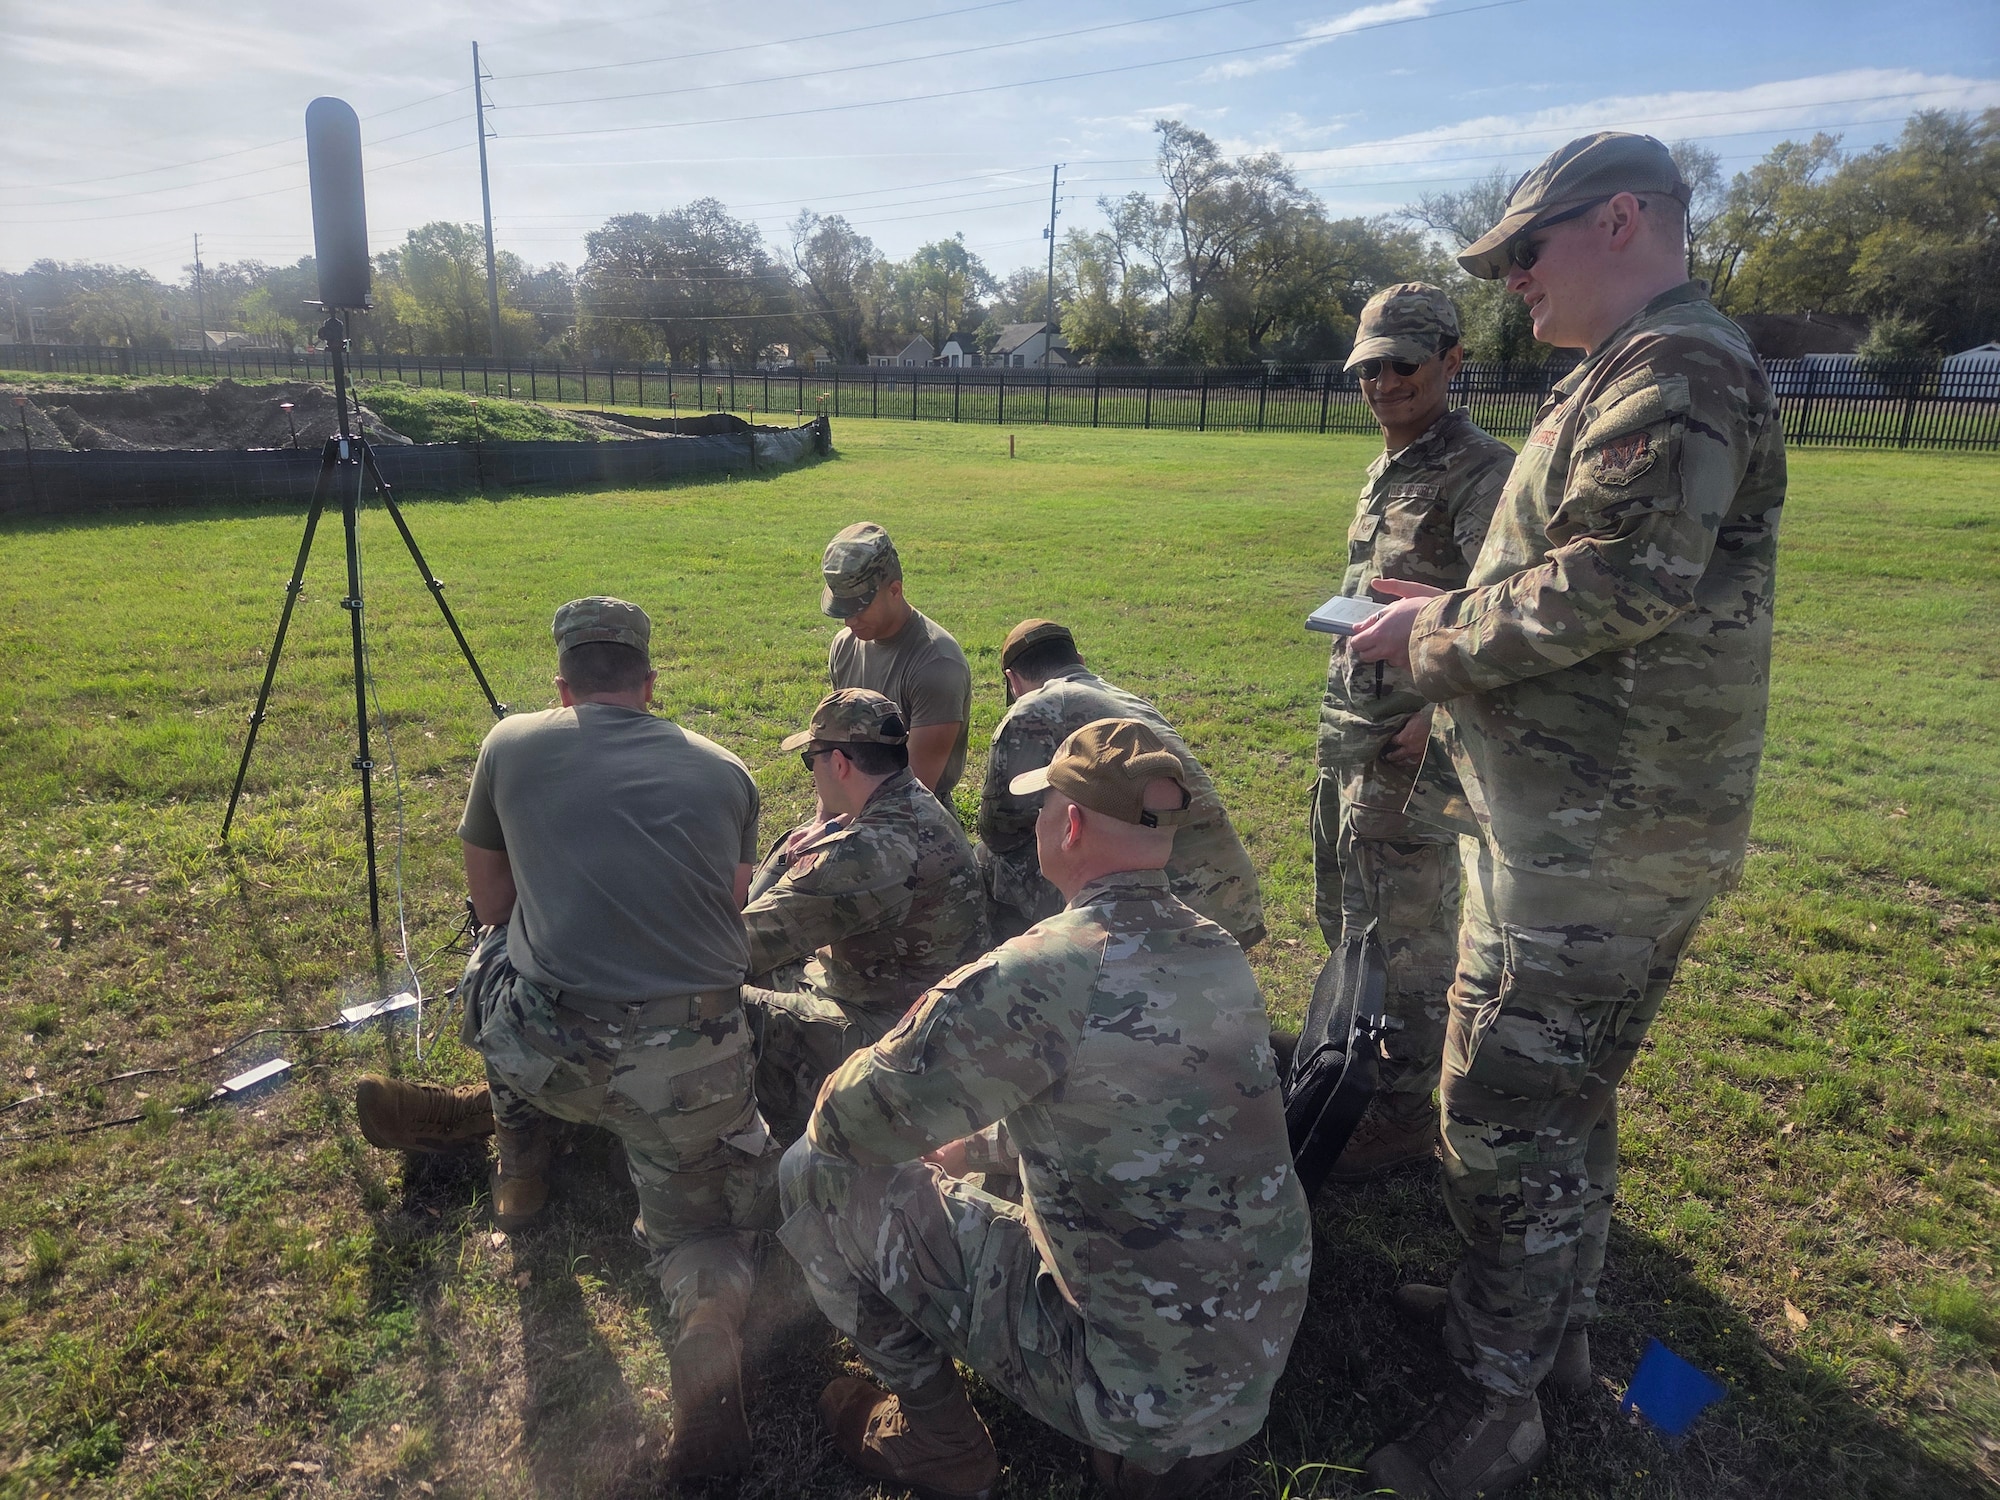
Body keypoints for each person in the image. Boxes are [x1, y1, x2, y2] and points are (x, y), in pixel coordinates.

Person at [1348, 133, 1786, 1498]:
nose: (1511, 283)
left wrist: (1425, 640)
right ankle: (1537, 1330)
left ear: (1619, 223)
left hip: (1596, 849)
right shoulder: (1627, 367)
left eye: (1523, 254)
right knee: (1564, 1108)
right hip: (1576, 829)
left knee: (1501, 1120)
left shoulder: (1679, 367)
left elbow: (1620, 580)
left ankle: (1499, 1403)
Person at [779, 719, 1312, 1500]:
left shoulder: (1043, 969)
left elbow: (849, 1122)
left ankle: (938, 1442)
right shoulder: (1214, 949)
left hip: (1132, 1394)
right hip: (1246, 1362)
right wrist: (977, 1145)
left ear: (1067, 824)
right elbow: (1131, 1110)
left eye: (1042, 806)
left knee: (812, 1173)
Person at [362, 596, 776, 1484]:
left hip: (554, 1051)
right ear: (649, 682)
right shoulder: (728, 771)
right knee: (699, 1229)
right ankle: (706, 1324)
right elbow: (730, 904)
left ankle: (520, 1161)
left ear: (562, 685)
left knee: (496, 960)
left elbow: (492, 903)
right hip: (691, 1064)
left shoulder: (511, 744)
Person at [1310, 284, 1515, 1181]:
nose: (1384, 381)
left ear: (1451, 362)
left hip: (1410, 749)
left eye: (1404, 363)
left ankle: (1397, 1115)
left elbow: (1498, 614)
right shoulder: (1389, 463)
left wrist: (1437, 710)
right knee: (1352, 913)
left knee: (1408, 934)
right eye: (1369, 366)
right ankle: (1358, 1065)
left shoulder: (1478, 469)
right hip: (1355, 735)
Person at [742, 687, 989, 1140]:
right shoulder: (911, 802)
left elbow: (737, 947)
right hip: (933, 1028)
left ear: (839, 764)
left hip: (890, 1054)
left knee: (716, 1001)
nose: (812, 774)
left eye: (810, 759)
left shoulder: (863, 853)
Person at [978, 618, 1265, 948]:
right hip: (1230, 899)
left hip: (1164, 908)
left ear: (1012, 681)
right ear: (1080, 661)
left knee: (987, 860)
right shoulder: (1128, 701)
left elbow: (999, 830)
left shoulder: (1034, 707)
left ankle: (1024, 970)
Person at [821, 521, 974, 798]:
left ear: (895, 590)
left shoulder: (937, 665)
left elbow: (915, 789)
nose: (849, 620)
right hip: (854, 801)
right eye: (842, 608)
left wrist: (841, 825)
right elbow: (836, 746)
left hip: (914, 816)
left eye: (859, 607)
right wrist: (826, 819)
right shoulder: (844, 646)